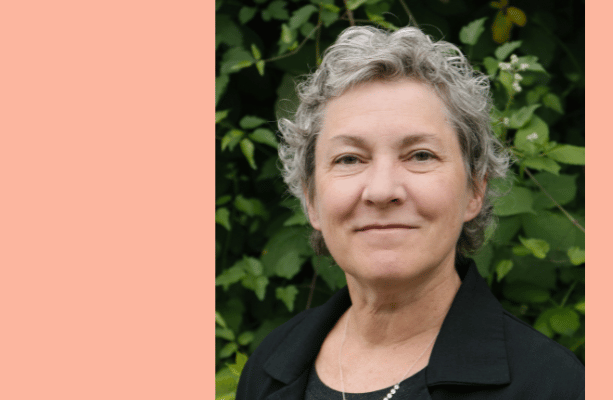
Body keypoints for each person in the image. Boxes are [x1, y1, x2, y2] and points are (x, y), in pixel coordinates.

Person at [236, 26, 584, 400]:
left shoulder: (552, 386)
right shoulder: (268, 368)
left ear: (475, 189)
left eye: (420, 155)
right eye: (349, 159)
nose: (382, 191)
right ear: (311, 199)